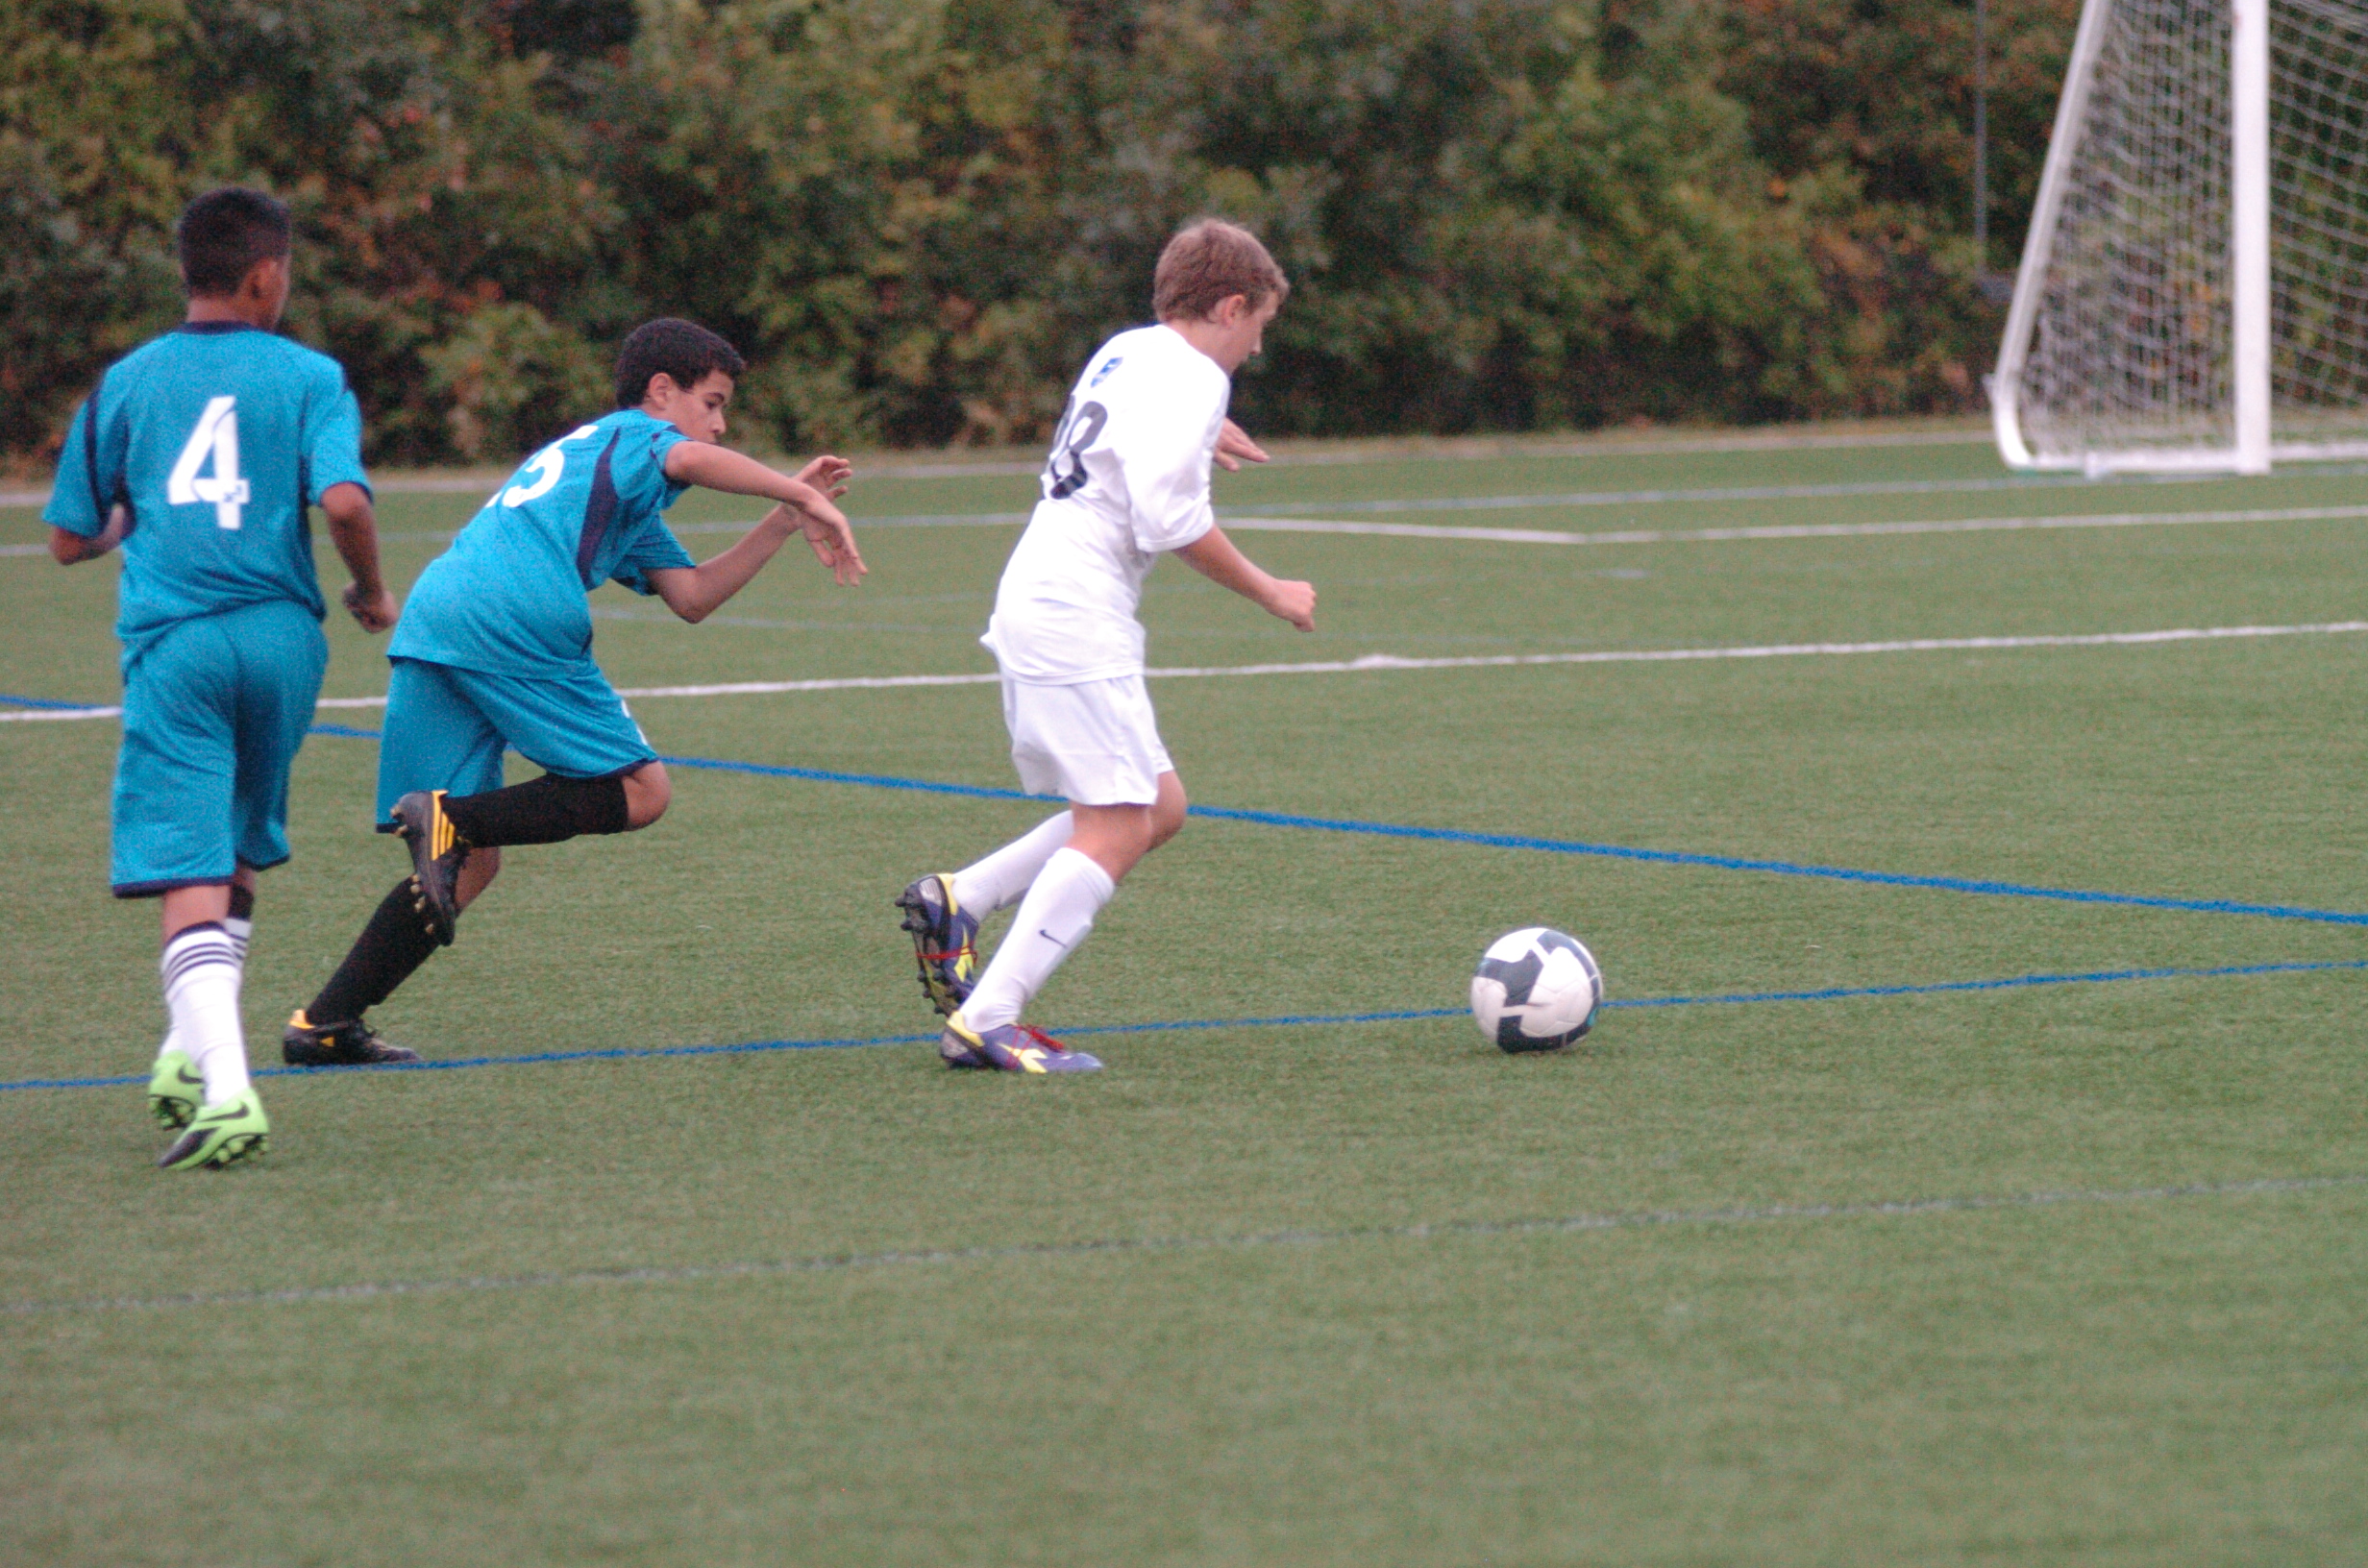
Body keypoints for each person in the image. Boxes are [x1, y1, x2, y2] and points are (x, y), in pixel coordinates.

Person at [285, 319, 863, 1059]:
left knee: (470, 864)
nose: (720, 424)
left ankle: (325, 1023)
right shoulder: (636, 435)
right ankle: (450, 819)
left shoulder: (611, 477)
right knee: (642, 791)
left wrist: (783, 518)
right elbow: (687, 455)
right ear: (662, 391)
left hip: (440, 616)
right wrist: (805, 495)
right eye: (713, 403)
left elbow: (691, 596)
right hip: (513, 609)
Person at [898, 219, 1316, 1074]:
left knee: (1160, 806)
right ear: (1230, 306)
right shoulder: (1196, 377)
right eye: (1258, 327)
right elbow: (1172, 524)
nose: (1255, 350)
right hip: (1073, 613)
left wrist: (1201, 430)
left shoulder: (1129, 349)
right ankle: (989, 1018)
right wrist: (1272, 590)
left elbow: (1128, 433)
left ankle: (962, 898)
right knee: (1120, 825)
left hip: (1045, 595)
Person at [44, 187, 400, 1169]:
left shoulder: (128, 381)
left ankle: (231, 1093)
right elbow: (342, 501)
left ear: (186, 272)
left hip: (181, 644)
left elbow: (71, 536)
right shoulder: (312, 375)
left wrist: (136, 519)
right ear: (266, 275)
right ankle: (184, 1053)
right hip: (284, 642)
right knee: (235, 849)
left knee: (185, 870)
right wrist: (371, 589)